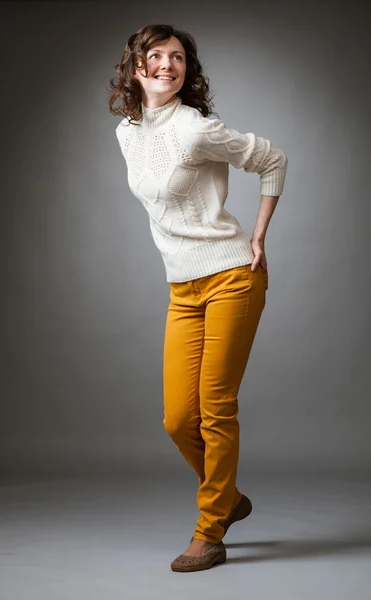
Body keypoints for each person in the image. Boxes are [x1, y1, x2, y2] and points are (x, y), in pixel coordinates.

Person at [108, 23, 288, 573]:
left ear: (188, 70)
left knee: (215, 410)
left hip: (233, 275)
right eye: (156, 55)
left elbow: (273, 159)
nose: (168, 64)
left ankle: (210, 530)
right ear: (135, 67)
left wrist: (258, 235)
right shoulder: (127, 132)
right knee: (176, 419)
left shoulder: (194, 129)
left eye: (178, 57)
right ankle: (230, 498)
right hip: (182, 286)